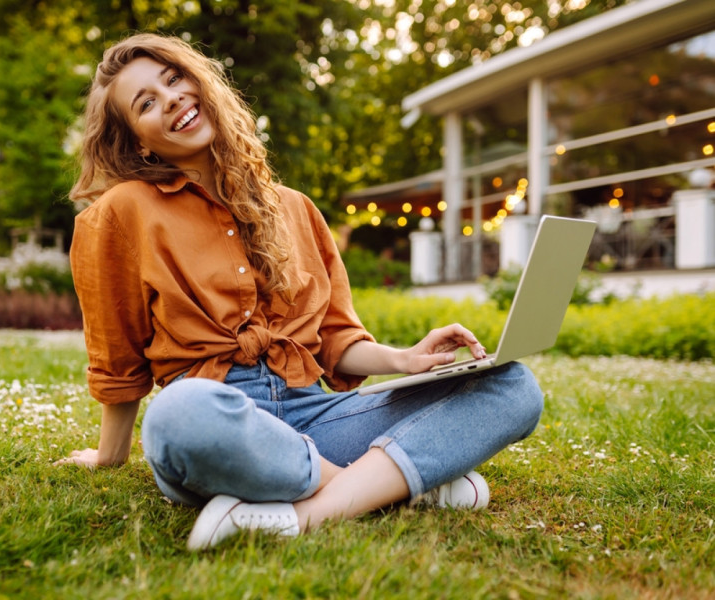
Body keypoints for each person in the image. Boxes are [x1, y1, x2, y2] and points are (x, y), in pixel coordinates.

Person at [56, 33, 544, 551]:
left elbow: (335, 338)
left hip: (317, 420)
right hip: (221, 422)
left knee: (512, 386)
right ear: (139, 142)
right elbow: (118, 354)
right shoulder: (120, 213)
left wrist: (404, 360)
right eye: (146, 103)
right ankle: (392, 484)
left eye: (174, 79)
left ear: (200, 82)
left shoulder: (295, 207)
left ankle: (303, 514)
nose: (171, 98)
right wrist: (110, 454)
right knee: (178, 414)